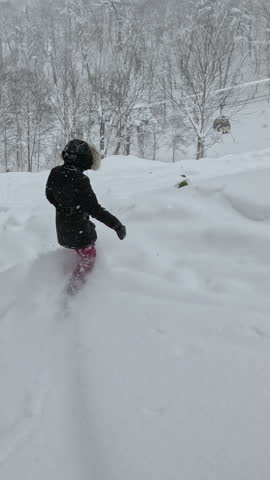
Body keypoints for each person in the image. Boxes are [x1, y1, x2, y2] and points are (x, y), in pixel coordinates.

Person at [46, 139, 126, 294]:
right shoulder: (80, 179)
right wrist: (117, 225)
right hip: (79, 233)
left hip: (62, 229)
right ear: (84, 160)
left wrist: (63, 208)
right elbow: (95, 209)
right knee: (89, 258)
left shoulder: (55, 172)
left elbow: (49, 195)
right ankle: (73, 290)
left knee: (80, 252)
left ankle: (67, 278)